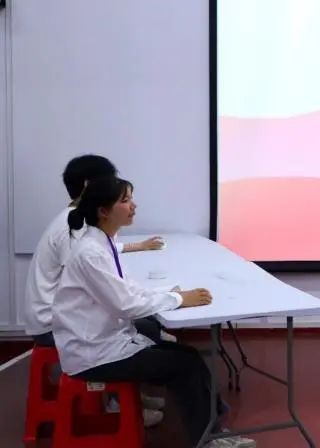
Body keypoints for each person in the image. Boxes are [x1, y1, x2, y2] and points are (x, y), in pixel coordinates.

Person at [53, 176, 255, 448]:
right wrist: (177, 299)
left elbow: (128, 290)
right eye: (125, 200)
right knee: (184, 366)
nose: (133, 206)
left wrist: (171, 292)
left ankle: (215, 429)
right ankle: (209, 439)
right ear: (103, 211)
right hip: (94, 355)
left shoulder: (102, 242)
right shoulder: (90, 253)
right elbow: (127, 305)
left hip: (105, 342)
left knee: (189, 356)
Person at [23, 155, 171, 425]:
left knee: (146, 324)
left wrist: (136, 247)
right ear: (89, 185)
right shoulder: (71, 227)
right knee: (142, 324)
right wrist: (171, 297)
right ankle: (117, 400)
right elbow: (90, 268)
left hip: (62, 313)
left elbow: (98, 252)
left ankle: (132, 394)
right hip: (53, 322)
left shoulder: (77, 220)